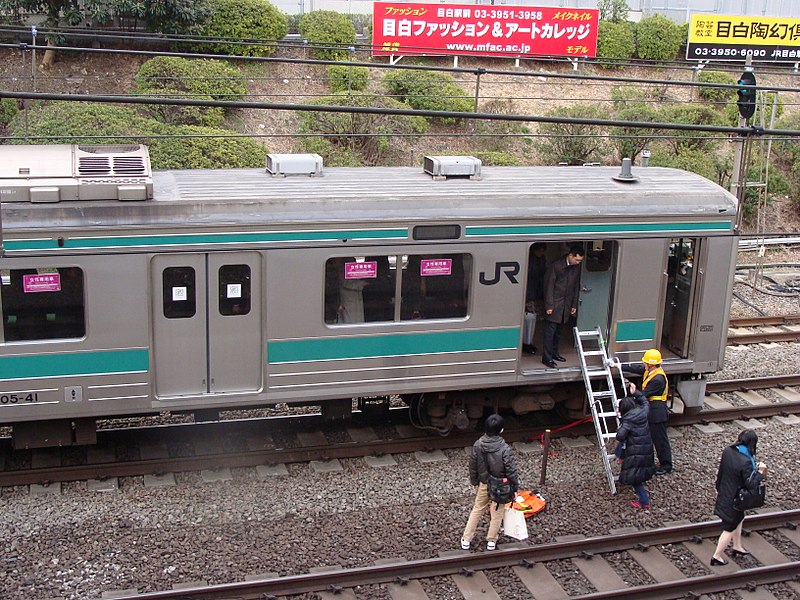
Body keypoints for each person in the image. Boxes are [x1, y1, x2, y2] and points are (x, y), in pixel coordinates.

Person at [461, 414, 520, 551]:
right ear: (501, 430)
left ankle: (466, 539)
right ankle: (491, 541)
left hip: (483, 483)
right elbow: (511, 471)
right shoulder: (505, 449)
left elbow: (472, 465)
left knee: (477, 509)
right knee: (497, 512)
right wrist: (514, 487)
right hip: (500, 486)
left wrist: (475, 481)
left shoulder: (478, 445)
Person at [711, 429, 767, 566]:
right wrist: (760, 472)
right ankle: (716, 557)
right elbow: (751, 484)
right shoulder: (746, 461)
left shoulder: (728, 451)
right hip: (735, 499)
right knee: (728, 528)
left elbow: (721, 472)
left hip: (725, 493)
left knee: (739, 519)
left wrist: (718, 488)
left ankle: (737, 546)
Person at [623, 349, 672, 475]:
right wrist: (619, 365)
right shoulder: (651, 372)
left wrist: (634, 392)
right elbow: (637, 368)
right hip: (652, 410)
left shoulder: (658, 379)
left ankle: (666, 465)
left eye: (645, 362)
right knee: (651, 439)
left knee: (660, 440)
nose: (643, 364)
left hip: (657, 413)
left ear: (650, 364)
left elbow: (644, 394)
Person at [541, 244, 585, 368]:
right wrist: (549, 305)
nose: (578, 262)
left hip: (566, 304)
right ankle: (547, 357)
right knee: (550, 332)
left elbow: (576, 287)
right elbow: (548, 286)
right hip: (555, 304)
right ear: (570, 255)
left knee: (559, 332)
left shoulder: (575, 268)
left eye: (580, 261)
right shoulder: (556, 266)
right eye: (576, 260)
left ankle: (555, 353)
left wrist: (574, 304)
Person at [615, 383, 656, 509]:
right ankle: (620, 456)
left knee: (635, 478)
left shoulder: (628, 421)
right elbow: (645, 402)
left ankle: (644, 502)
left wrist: (621, 423)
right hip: (646, 448)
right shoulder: (642, 412)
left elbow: (620, 436)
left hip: (635, 451)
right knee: (639, 471)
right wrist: (636, 393)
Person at [523, 243, 547, 355]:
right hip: (530, 292)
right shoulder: (534, 261)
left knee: (530, 318)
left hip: (533, 292)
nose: (541, 253)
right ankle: (527, 343)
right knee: (530, 317)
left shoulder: (537, 260)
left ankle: (528, 342)